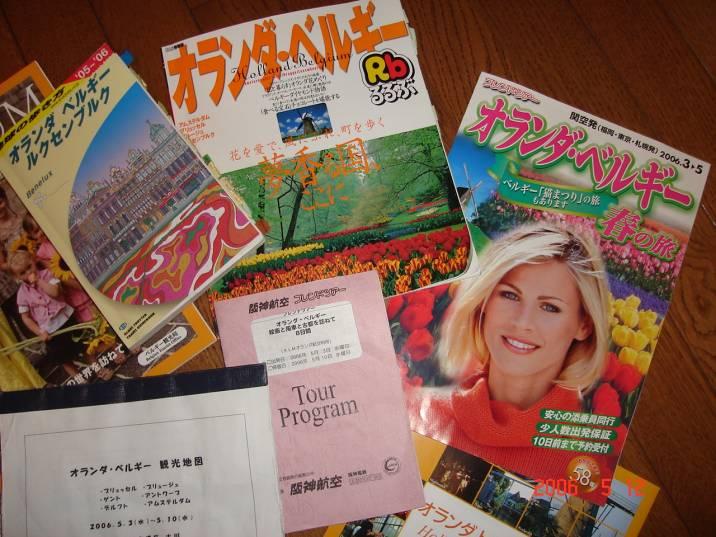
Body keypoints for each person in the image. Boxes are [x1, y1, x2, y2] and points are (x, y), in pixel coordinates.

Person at [408, 223, 610, 484]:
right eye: (510, 295)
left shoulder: (589, 469)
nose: (522, 322)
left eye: (550, 307)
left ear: (584, 325)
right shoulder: (418, 411)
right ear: (485, 301)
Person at [8, 250, 84, 380]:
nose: (28, 273)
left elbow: (55, 293)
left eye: (29, 267)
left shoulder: (47, 274)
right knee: (63, 359)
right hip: (49, 329)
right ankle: (79, 378)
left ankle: (98, 366)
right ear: (17, 277)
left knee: (83, 344)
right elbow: (25, 317)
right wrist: (39, 331)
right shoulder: (22, 294)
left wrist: (39, 281)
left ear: (33, 261)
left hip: (65, 318)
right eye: (22, 273)